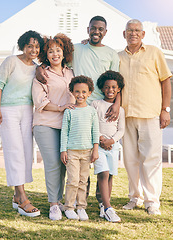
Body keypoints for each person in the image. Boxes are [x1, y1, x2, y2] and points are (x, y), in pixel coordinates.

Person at [36, 15, 120, 211]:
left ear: (105, 32)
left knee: (102, 156)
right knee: (79, 156)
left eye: (100, 29)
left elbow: (117, 82)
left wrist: (116, 104)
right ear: (87, 29)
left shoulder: (111, 54)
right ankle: (78, 201)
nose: (96, 31)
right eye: (93, 28)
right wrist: (39, 68)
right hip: (78, 110)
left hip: (102, 110)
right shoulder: (78, 49)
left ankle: (102, 202)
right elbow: (55, 56)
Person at [119, 19, 172, 215]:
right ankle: (135, 197)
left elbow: (166, 81)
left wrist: (165, 109)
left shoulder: (154, 52)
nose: (133, 33)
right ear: (124, 34)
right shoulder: (117, 57)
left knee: (151, 158)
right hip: (126, 115)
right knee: (130, 159)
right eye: (129, 30)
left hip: (150, 114)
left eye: (137, 30)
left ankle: (152, 201)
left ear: (143, 34)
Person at [0, 30, 44, 217]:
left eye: (37, 46)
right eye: (30, 45)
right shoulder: (11, 61)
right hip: (8, 110)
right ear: (23, 45)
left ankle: (17, 195)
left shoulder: (37, 67)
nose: (33, 49)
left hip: (27, 110)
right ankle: (22, 198)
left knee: (25, 151)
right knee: (14, 150)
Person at [32, 33, 75, 220]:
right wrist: (60, 108)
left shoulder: (71, 72)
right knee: (52, 164)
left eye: (58, 50)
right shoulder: (42, 74)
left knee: (65, 164)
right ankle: (53, 204)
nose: (55, 54)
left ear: (64, 52)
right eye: (51, 51)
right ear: (46, 54)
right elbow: (39, 101)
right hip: (46, 123)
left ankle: (63, 201)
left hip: (66, 125)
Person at [60, 76, 99, 221]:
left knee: (84, 180)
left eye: (84, 92)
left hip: (87, 151)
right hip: (72, 152)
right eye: (77, 91)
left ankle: (81, 207)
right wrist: (63, 150)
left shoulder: (91, 111)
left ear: (89, 93)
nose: (80, 95)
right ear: (72, 92)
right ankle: (69, 207)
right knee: (72, 180)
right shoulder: (69, 111)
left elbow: (95, 131)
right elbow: (64, 132)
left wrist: (95, 149)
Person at [91, 70, 125, 222]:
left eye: (113, 87)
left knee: (110, 175)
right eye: (107, 87)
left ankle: (104, 205)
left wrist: (111, 141)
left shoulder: (121, 110)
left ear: (118, 89)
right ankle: (108, 208)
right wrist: (100, 139)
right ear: (102, 88)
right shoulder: (96, 104)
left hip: (113, 147)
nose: (110, 90)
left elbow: (121, 130)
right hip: (98, 146)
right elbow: (92, 124)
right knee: (103, 173)